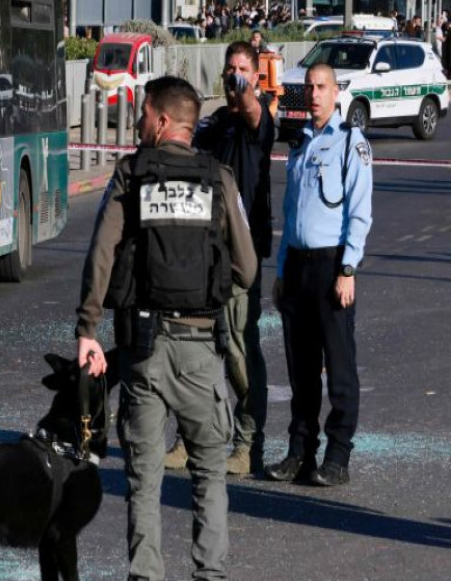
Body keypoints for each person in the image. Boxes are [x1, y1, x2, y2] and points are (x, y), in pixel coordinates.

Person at [75, 76, 257, 581]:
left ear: (159, 121)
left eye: (141, 116)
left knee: (144, 479)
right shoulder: (218, 178)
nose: (137, 125)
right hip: (201, 349)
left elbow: (102, 254)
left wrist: (87, 328)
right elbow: (247, 268)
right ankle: (210, 575)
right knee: (209, 474)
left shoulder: (131, 175)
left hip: (144, 351)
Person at [163, 41, 274, 477]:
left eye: (242, 68)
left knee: (239, 353)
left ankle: (249, 445)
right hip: (203, 258)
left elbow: (252, 112)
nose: (233, 75)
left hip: (240, 258)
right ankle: (192, 440)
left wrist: (245, 89)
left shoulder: (258, 120)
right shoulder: (213, 123)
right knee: (197, 352)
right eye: (230, 68)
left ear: (256, 75)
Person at [265, 63, 373, 487]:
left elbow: (360, 214)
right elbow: (291, 214)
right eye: (308, 87)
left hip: (332, 267)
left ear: (335, 92)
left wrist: (348, 268)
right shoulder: (300, 145)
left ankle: (338, 455)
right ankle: (299, 451)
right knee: (301, 369)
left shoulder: (351, 142)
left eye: (321, 87)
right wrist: (281, 267)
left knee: (340, 366)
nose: (313, 94)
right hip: (297, 266)